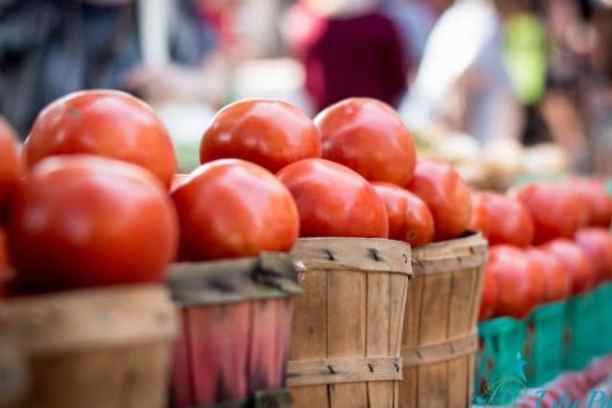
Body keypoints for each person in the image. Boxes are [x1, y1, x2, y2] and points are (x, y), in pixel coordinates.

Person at [0, 0, 217, 137]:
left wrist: (189, 85)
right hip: (32, 170)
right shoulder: (18, 12)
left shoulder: (167, 12)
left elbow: (211, 74)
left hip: (133, 172)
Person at [400, 0, 523, 144]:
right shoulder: (476, 17)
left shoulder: (488, 20)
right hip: (435, 133)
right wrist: (454, 141)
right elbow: (459, 82)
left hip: (457, 141)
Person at [285, 0, 409, 112]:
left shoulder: (315, 27)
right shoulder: (381, 26)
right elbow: (397, 80)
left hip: (329, 112)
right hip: (375, 112)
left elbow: (309, 81)